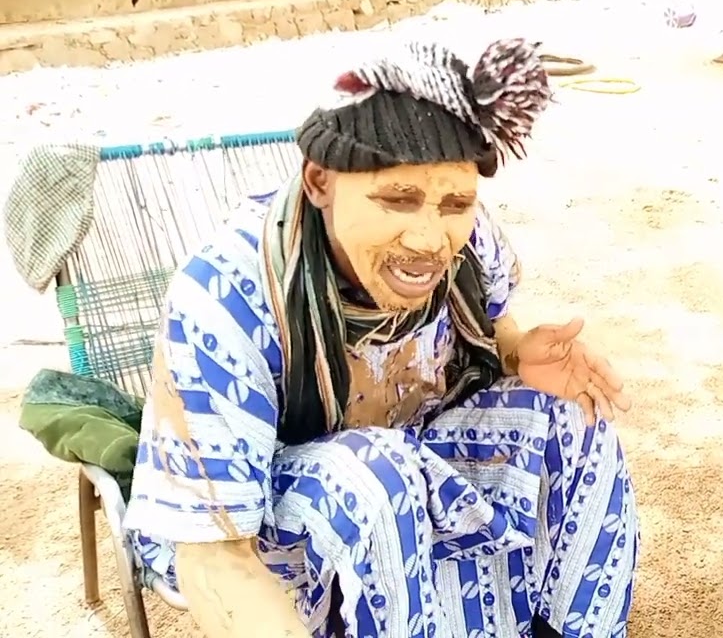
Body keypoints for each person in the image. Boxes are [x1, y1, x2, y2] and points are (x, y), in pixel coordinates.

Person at [122, 36, 639, 638]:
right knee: (371, 475)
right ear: (320, 182)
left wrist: (515, 351)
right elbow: (215, 558)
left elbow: (493, 322)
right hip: (256, 517)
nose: (429, 238)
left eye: (454, 203)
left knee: (574, 421)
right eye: (398, 199)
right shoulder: (226, 295)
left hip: (411, 453)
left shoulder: (468, 242)